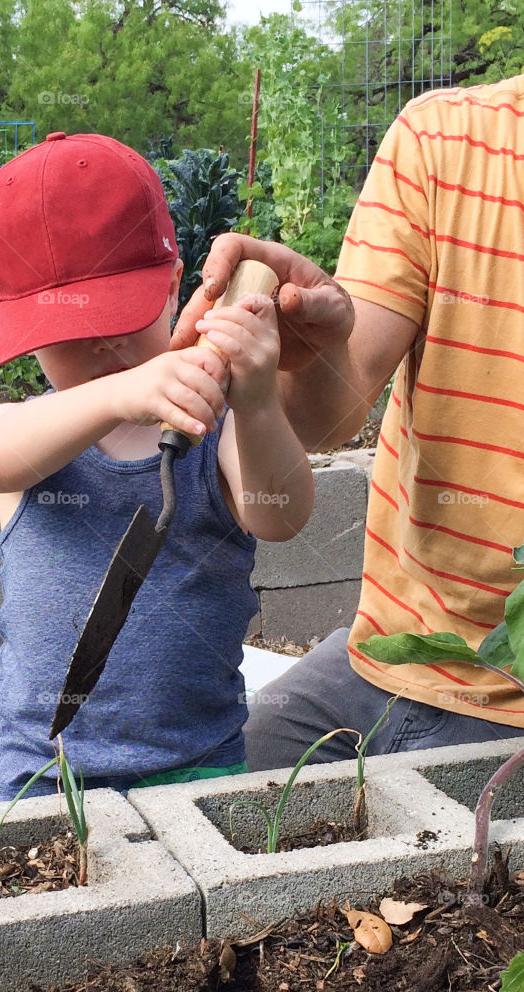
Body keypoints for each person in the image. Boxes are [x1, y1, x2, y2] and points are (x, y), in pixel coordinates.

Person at [171, 75, 524, 770]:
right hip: (393, 654)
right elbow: (328, 413)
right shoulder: (444, 140)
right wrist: (293, 361)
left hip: (504, 707)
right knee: (184, 804)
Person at [0, 131, 313, 803]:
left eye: (121, 319)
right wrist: (122, 393)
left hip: (194, 769)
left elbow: (281, 517)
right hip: (37, 770)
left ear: (177, 284)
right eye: (67, 336)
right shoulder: (29, 435)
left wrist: (260, 395)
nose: (100, 345)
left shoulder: (221, 436)